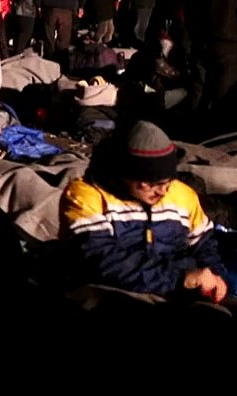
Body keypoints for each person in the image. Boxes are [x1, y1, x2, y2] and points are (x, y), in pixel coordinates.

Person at [59, 120, 227, 301]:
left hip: (177, 290)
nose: (162, 191)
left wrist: (216, 277)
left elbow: (204, 245)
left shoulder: (182, 195)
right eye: (150, 183)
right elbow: (101, 259)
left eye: (167, 182)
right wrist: (180, 279)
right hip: (112, 292)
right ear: (125, 173)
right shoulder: (86, 195)